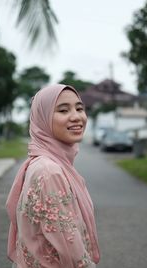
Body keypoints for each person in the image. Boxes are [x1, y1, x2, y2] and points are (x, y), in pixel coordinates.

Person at [6, 84, 100, 268]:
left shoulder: (41, 163)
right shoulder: (49, 171)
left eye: (80, 108)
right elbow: (71, 250)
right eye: (63, 110)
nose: (77, 117)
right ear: (43, 118)